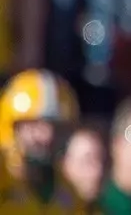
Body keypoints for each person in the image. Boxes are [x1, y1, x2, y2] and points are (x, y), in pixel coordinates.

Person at [0, 69, 87, 212]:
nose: (48, 135)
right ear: (12, 127)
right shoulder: (3, 177)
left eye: (56, 127)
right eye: (35, 125)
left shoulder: (71, 195)